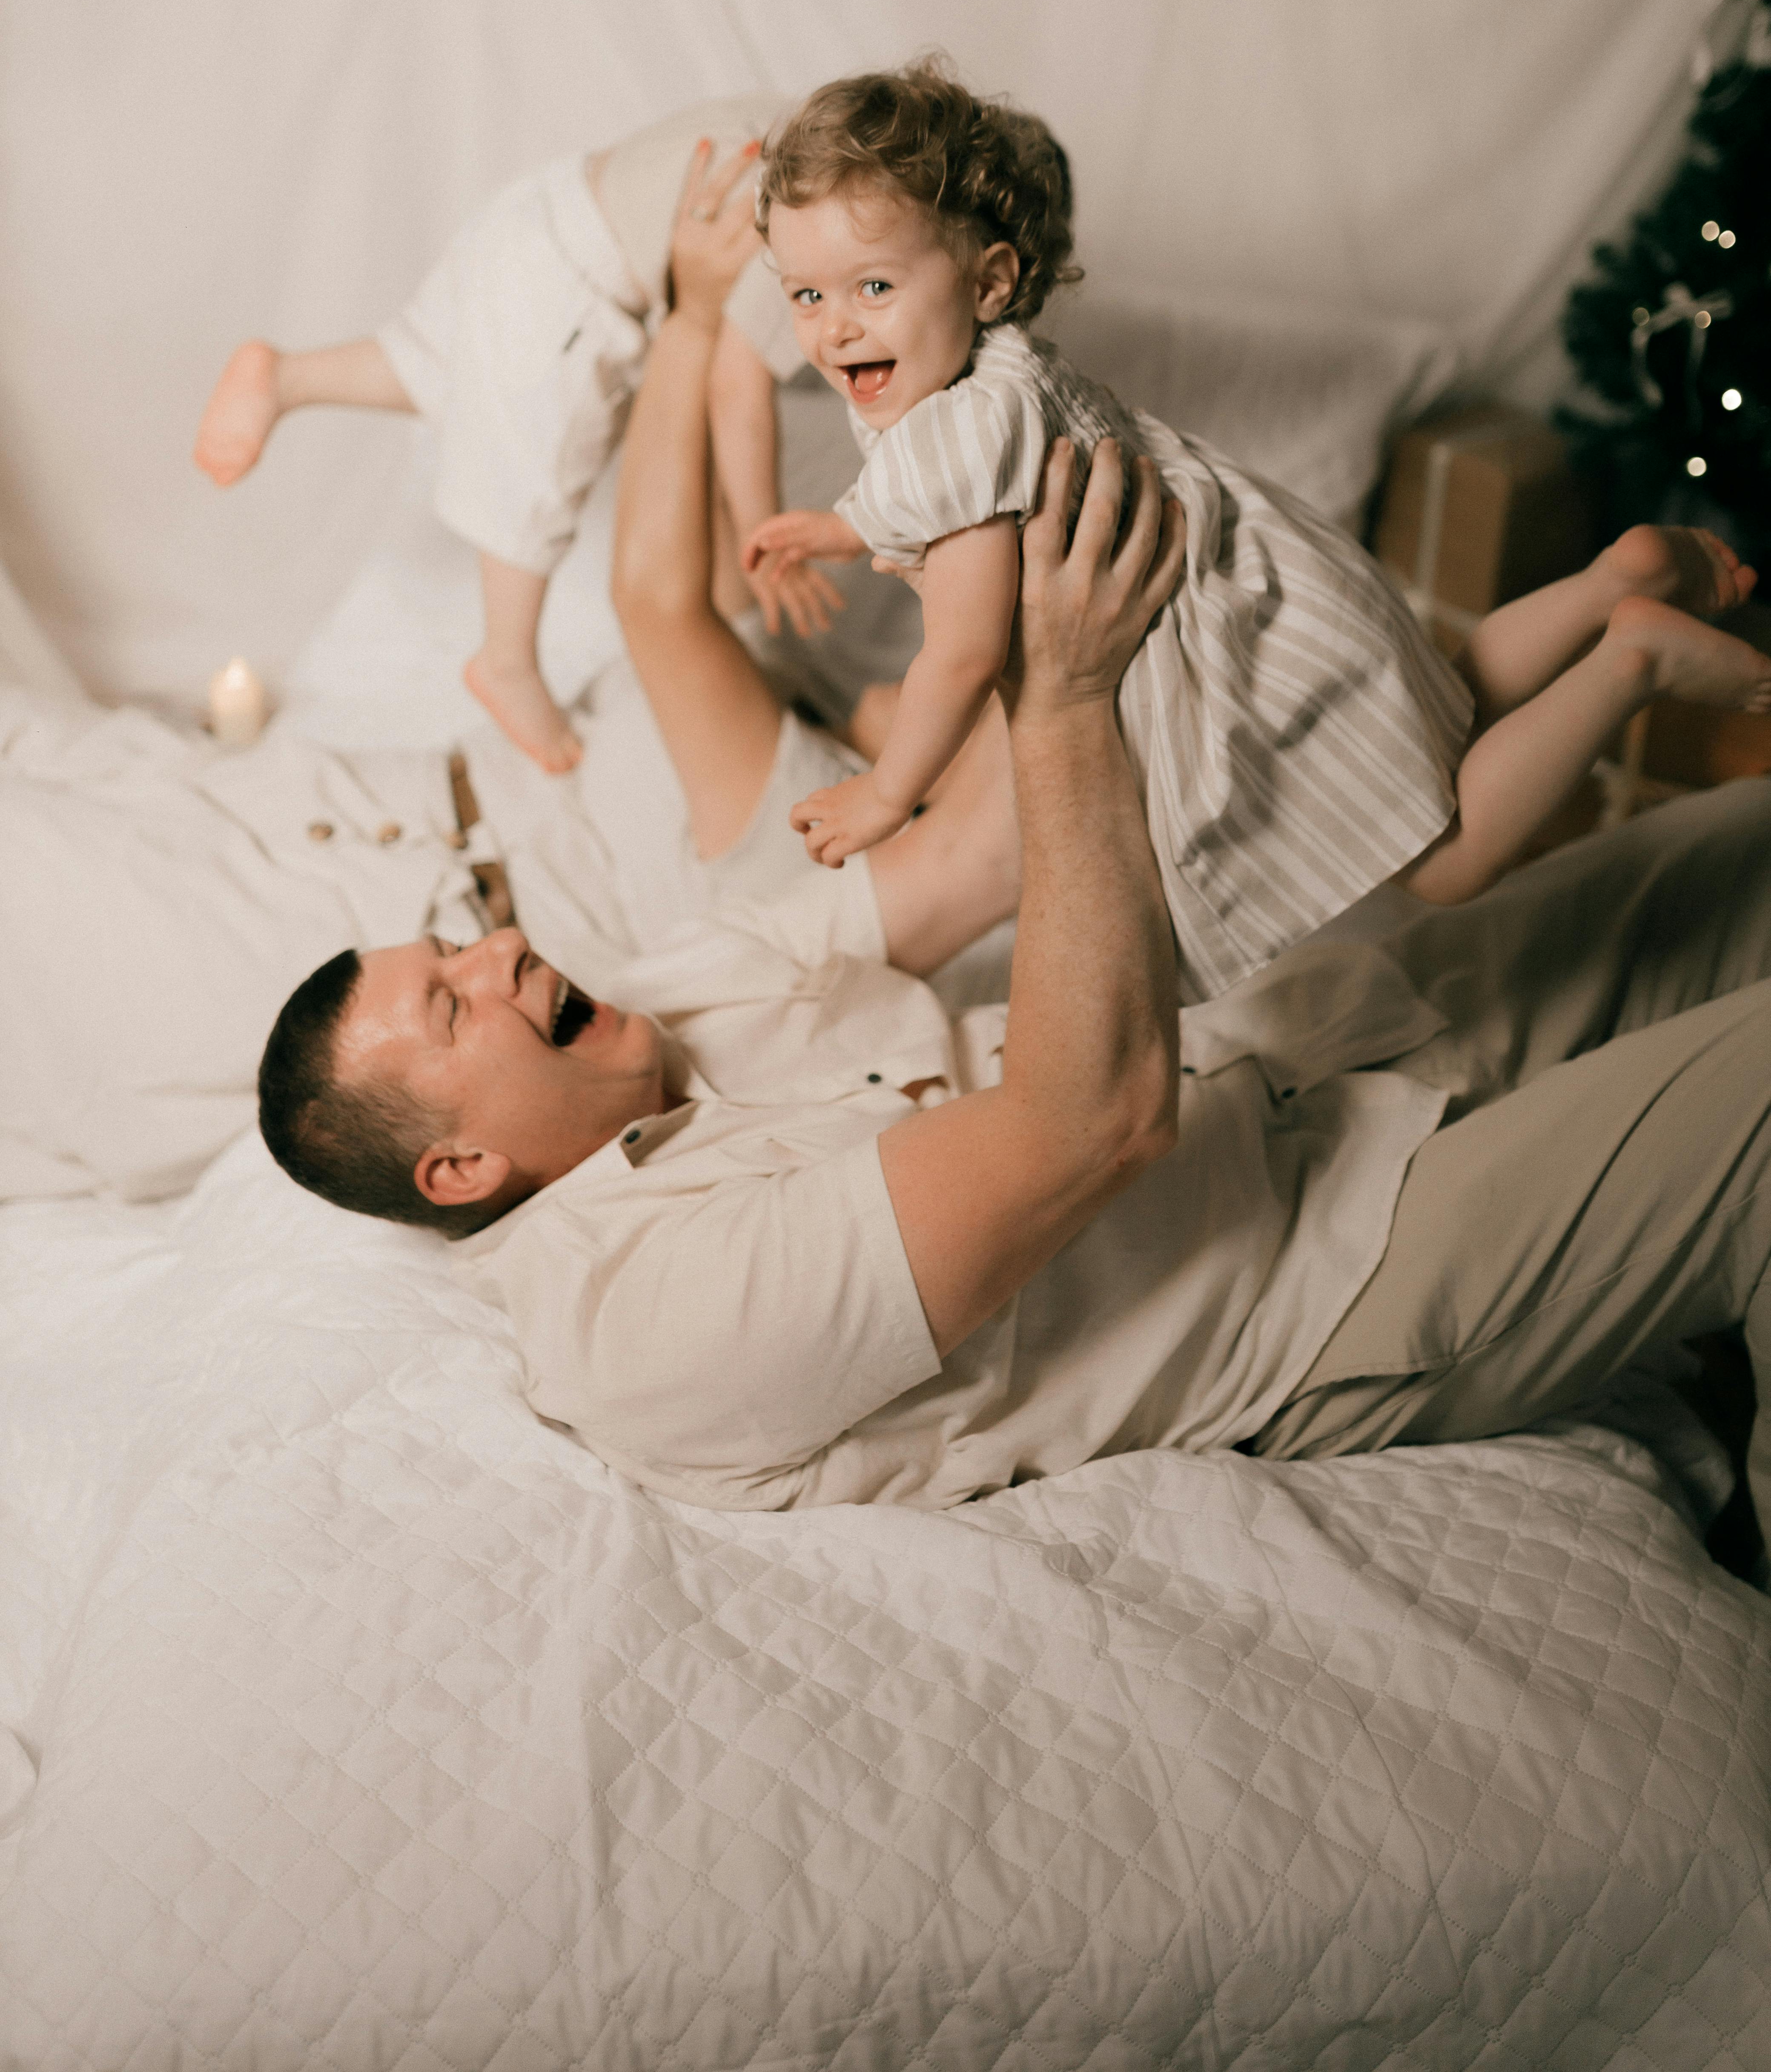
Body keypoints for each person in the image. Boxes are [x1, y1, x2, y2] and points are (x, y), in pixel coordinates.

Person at [258, 155, 1771, 1547]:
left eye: (460, 947)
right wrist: (1063, 701)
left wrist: (1022, 524)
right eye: (458, 1004)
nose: (506, 953)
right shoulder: (647, 1321)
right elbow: (1092, 1122)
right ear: (460, 1165)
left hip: (1323, 1053)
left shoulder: (674, 989)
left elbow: (972, 863)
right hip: (1321, 1287)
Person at [746, 63, 1771, 1002]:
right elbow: (938, 498)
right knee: (1450, 703)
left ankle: (1630, 657)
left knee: (1450, 859)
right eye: (806, 295)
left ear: (987, 281)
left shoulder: (953, 433)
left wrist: (890, 792)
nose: (836, 326)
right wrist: (844, 531)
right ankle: (1606, 583)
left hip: (1231, 669)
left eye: (873, 287)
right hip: (1284, 594)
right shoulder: (995, 369)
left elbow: (964, 649)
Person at [192, 96, 843, 775]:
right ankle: (506, 662)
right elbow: (738, 393)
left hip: (542, 212)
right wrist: (768, 530)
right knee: (533, 480)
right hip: (573, 290)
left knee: (432, 365)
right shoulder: (805, 230)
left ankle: (288, 378)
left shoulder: (792, 123)